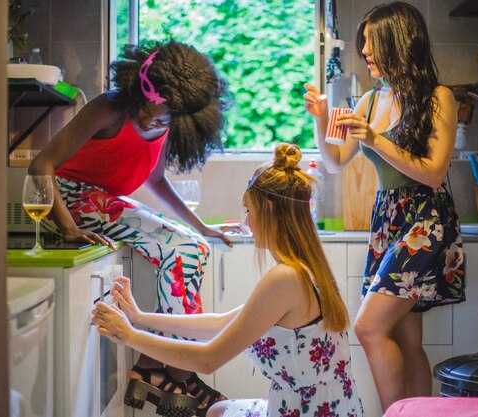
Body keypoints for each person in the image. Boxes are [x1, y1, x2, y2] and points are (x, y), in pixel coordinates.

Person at [28, 39, 246, 415]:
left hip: (99, 202)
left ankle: (153, 368)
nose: (150, 121)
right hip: (69, 199)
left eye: (162, 118)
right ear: (138, 90)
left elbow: (156, 180)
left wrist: (201, 226)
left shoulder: (166, 124)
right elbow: (41, 165)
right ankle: (180, 373)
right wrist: (67, 228)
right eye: (146, 110)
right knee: (186, 249)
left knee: (196, 245)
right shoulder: (110, 108)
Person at [91, 143, 365, 417]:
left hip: (305, 412)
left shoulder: (285, 278)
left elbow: (208, 360)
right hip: (335, 408)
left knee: (215, 412)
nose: (246, 222)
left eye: (248, 210)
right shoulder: (306, 269)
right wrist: (140, 318)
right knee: (219, 410)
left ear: (268, 210)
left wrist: (128, 335)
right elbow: (221, 324)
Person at [303, 2, 466, 412]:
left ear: (400, 41)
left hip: (426, 220)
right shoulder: (371, 102)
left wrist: (376, 140)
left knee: (369, 326)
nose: (366, 52)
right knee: (407, 337)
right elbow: (335, 162)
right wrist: (321, 121)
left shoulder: (438, 98)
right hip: (389, 220)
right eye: (364, 43)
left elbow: (432, 173)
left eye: (373, 43)